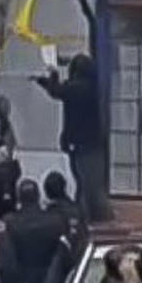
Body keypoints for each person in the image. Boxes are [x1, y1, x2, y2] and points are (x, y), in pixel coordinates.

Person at [37, 54, 112, 224]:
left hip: (80, 143)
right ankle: (97, 217)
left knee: (85, 185)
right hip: (94, 142)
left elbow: (57, 91)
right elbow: (59, 90)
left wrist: (52, 75)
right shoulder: (94, 88)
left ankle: (86, 218)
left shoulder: (77, 88)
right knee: (91, 183)